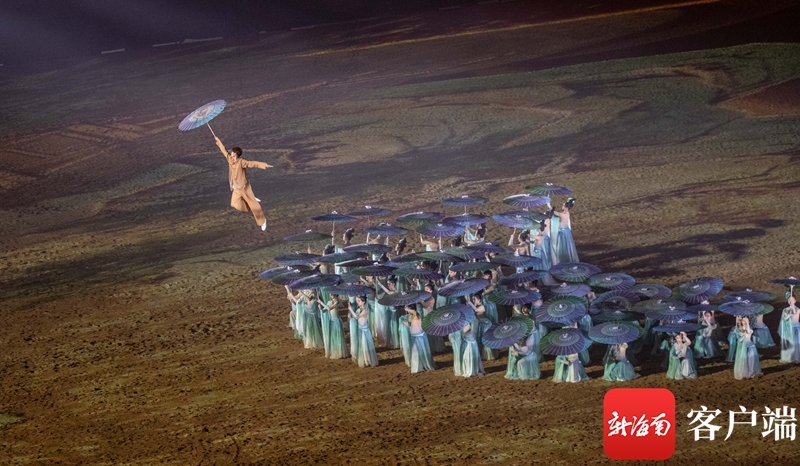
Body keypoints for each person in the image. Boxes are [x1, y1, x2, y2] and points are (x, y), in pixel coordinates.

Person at [214, 136, 272, 230]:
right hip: (236, 188)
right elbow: (224, 150)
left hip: (244, 188)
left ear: (236, 154)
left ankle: (262, 221)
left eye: (232, 152)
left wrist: (264, 165)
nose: (231, 153)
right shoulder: (230, 159)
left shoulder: (241, 162)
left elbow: (252, 163)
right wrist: (218, 141)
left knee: (255, 206)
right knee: (234, 204)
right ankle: (250, 202)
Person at [404, 306, 438, 373]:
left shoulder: (418, 315)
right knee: (415, 352)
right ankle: (417, 366)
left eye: (409, 311)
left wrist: (408, 309)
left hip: (419, 337)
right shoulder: (411, 316)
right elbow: (413, 324)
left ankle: (422, 365)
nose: (408, 312)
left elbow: (415, 313)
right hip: (414, 336)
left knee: (421, 351)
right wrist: (408, 324)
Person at [349, 296, 378, 367]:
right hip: (360, 330)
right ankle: (364, 360)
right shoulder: (358, 310)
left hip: (365, 331)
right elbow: (354, 317)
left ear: (363, 302)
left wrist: (351, 310)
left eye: (359, 301)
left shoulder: (365, 310)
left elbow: (357, 317)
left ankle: (368, 360)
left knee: (365, 346)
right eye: (357, 301)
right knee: (361, 346)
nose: (358, 302)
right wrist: (350, 314)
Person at [318, 295, 348, 359]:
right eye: (330, 294)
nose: (330, 295)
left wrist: (321, 302)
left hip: (336, 321)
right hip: (332, 321)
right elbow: (324, 310)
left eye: (332, 294)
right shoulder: (329, 302)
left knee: (338, 337)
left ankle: (340, 352)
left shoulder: (337, 302)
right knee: (333, 337)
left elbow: (330, 308)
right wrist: (320, 308)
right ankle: (335, 351)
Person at [551, 198, 579, 264]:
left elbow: (554, 212)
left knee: (562, 246)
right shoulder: (567, 213)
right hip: (566, 231)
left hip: (563, 232)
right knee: (567, 246)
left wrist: (549, 205)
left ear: (566, 207)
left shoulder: (562, 214)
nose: (562, 206)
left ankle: (564, 259)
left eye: (563, 205)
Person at [779, 295, 800, 363]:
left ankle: (796, 357)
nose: (791, 301)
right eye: (789, 300)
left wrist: (792, 308)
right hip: (789, 329)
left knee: (796, 343)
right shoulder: (785, 310)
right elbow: (784, 318)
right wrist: (788, 314)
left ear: (795, 301)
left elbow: (795, 313)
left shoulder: (798, 309)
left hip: (796, 328)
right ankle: (789, 357)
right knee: (790, 343)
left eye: (792, 300)